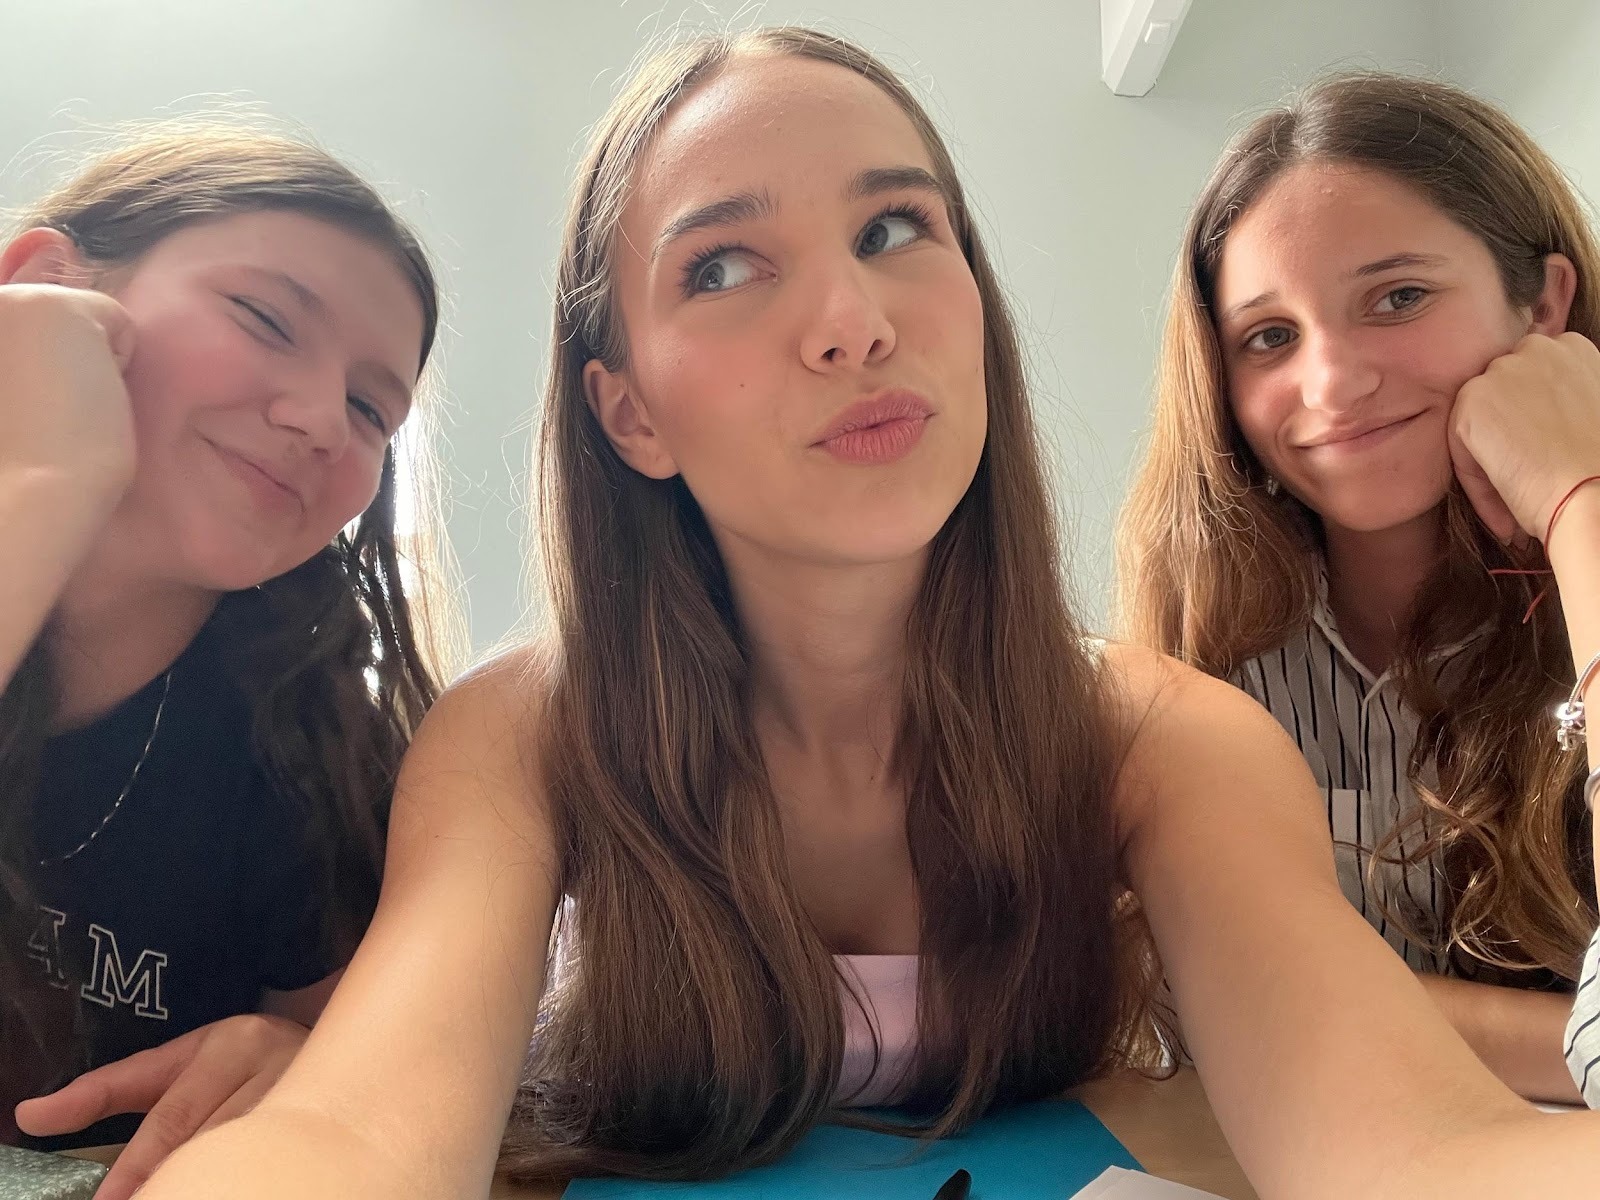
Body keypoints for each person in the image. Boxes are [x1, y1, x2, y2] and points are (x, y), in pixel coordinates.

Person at [143, 32, 1600, 1200]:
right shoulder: (521, 734)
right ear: (628, 412)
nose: (853, 320)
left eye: (897, 226)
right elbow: (357, 1142)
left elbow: (1415, 1155)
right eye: (722, 266)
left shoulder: (1174, 741)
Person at [1117, 72, 1600, 1103]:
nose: (1332, 382)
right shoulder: (1209, 650)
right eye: (1269, 337)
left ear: (1544, 304)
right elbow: (1198, 998)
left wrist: (1579, 501)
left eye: (1400, 298)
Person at [0, 121, 454, 1197]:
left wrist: (306, 1069)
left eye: (370, 408)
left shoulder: (317, 759)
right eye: (264, 318)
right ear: (45, 285)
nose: (320, 421)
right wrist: (45, 484)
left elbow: (375, 1099)